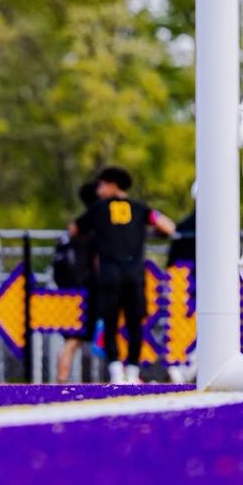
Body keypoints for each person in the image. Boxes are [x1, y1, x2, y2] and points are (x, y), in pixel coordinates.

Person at [69, 165, 175, 385]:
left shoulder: (98, 208)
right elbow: (168, 226)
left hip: (109, 274)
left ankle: (116, 369)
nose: (99, 189)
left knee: (110, 322)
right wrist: (143, 233)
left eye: (102, 184)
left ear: (112, 185)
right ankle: (133, 370)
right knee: (135, 322)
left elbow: (74, 228)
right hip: (134, 274)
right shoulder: (139, 208)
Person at [55, 179, 99, 383]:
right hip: (87, 290)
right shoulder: (93, 223)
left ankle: (61, 379)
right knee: (75, 339)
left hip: (71, 290)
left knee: (72, 340)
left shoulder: (75, 230)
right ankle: (126, 376)